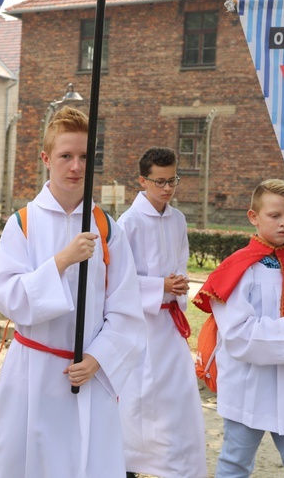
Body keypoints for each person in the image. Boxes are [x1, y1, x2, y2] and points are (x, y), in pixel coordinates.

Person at [0, 106, 146, 478]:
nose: (76, 167)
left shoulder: (107, 229)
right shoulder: (23, 223)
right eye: (66, 156)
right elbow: (6, 296)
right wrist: (60, 262)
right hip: (33, 376)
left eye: (85, 157)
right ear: (46, 159)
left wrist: (99, 358)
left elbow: (126, 311)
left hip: (87, 377)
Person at [193, 179, 284, 477]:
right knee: (235, 464)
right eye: (275, 216)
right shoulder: (237, 269)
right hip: (250, 386)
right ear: (253, 217)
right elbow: (237, 335)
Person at [116, 147, 206, 478]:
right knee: (138, 399)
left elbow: (179, 263)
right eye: (160, 182)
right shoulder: (129, 223)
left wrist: (178, 286)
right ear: (143, 181)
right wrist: (160, 287)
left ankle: (177, 465)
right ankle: (129, 466)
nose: (167, 188)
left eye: (173, 181)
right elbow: (118, 282)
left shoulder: (177, 219)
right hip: (140, 326)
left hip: (168, 324)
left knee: (176, 399)